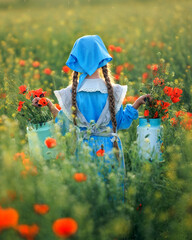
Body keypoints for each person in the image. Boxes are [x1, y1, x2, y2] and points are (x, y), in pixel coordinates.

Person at [32, 35, 151, 200]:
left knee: (87, 194)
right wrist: (137, 103)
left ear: (77, 61)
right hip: (109, 149)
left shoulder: (71, 93)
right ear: (103, 59)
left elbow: (64, 125)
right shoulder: (112, 92)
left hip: (83, 151)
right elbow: (121, 123)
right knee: (109, 192)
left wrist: (49, 105)